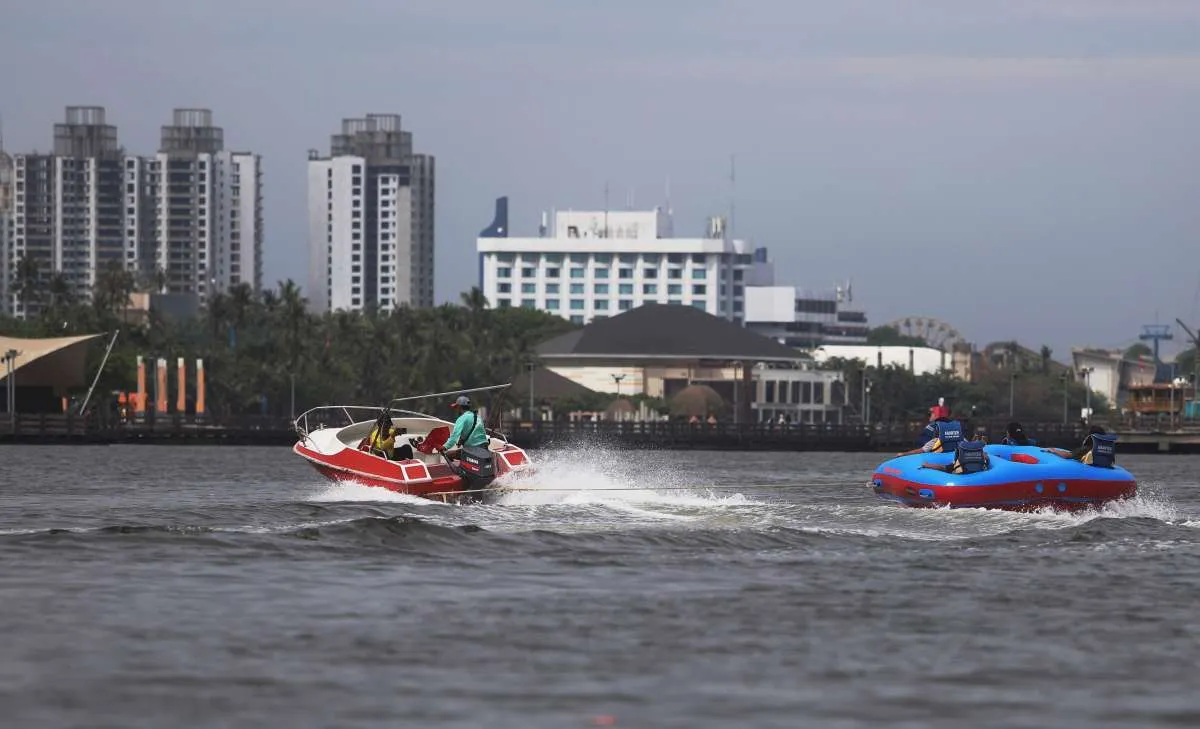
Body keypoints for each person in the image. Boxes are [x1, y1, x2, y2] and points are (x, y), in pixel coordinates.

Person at [898, 402, 963, 456]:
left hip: (934, 459)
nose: (930, 416)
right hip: (952, 460)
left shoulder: (935, 433)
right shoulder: (959, 435)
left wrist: (903, 454)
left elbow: (922, 450)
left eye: (932, 413)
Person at [1046, 425, 1117, 467]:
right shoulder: (1108, 449)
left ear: (1091, 437)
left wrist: (1054, 451)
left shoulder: (1087, 449)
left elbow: (1067, 455)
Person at [921, 434, 991, 474]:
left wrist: (927, 465)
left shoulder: (956, 464)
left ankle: (973, 442)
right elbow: (987, 460)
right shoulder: (982, 460)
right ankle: (975, 443)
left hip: (960, 481)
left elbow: (941, 467)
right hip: (980, 481)